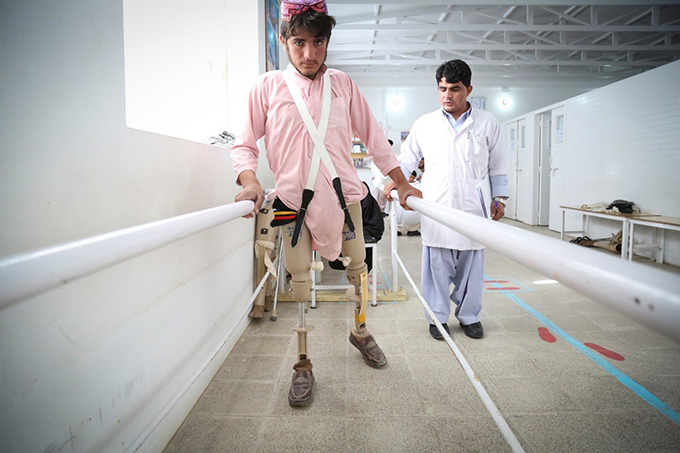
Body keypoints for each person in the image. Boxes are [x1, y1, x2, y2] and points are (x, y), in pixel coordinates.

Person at [230, 0, 416, 407]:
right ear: (283, 41)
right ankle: (302, 362)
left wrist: (401, 183)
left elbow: (375, 138)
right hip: (288, 202)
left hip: (344, 196)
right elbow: (244, 145)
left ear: (328, 42)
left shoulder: (343, 84)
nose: (309, 54)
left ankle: (361, 331)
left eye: (318, 42)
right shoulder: (266, 87)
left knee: (358, 268)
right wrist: (248, 182)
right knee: (297, 278)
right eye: (299, 43)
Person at [384, 59, 508, 340]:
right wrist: (396, 180)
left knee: (471, 269)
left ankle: (469, 317)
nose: (447, 96)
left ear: (469, 90)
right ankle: (437, 318)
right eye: (442, 89)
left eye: (454, 89)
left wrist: (500, 197)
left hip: (473, 207)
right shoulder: (425, 124)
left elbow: (498, 165)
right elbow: (407, 159)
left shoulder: (487, 123)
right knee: (436, 268)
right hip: (436, 206)